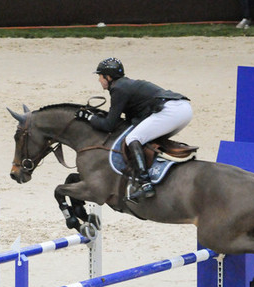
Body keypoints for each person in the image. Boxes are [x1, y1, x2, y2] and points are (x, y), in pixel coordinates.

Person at [75, 57, 193, 200]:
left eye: (100, 76)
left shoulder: (118, 89)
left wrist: (88, 117)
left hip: (172, 111)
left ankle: (145, 183)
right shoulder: (125, 85)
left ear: (108, 77)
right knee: (144, 137)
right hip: (182, 109)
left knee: (133, 138)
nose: (99, 80)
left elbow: (108, 125)